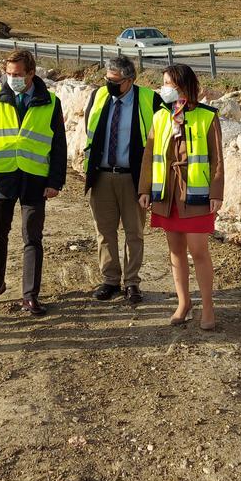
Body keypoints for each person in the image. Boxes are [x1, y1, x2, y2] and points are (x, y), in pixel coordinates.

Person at [0, 49, 67, 315]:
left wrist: (55, 182)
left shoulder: (50, 102)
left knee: (32, 238)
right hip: (2, 177)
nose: (11, 78)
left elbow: (59, 145)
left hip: (35, 179)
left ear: (31, 73)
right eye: (8, 73)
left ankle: (30, 295)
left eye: (17, 74)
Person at [139, 64, 224, 330]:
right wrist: (144, 189)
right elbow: (149, 155)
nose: (163, 88)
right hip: (168, 194)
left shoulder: (207, 117)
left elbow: (217, 159)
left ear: (184, 87)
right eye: (163, 82)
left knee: (198, 251)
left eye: (168, 84)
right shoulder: (160, 117)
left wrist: (217, 193)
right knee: (175, 250)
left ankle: (208, 306)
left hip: (196, 195)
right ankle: (183, 303)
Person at [83, 55, 163, 304]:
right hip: (102, 176)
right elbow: (90, 132)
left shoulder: (150, 100)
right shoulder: (98, 97)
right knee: (104, 232)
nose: (109, 84)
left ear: (130, 80)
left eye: (115, 81)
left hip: (133, 179)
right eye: (107, 79)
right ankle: (109, 280)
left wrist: (150, 184)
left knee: (134, 232)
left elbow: (159, 143)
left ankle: (132, 283)